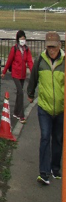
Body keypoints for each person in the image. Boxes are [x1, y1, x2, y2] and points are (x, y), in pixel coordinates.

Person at [27, 31, 65, 185]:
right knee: (45, 137)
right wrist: (30, 93)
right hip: (44, 107)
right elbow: (34, 77)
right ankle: (44, 173)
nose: (51, 50)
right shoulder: (40, 61)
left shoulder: (64, 61)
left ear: (60, 45)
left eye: (54, 47)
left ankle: (55, 168)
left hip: (61, 108)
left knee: (57, 139)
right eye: (49, 46)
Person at [1, 30, 34, 123]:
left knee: (19, 94)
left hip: (23, 75)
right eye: (21, 39)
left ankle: (16, 112)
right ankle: (21, 115)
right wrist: (4, 71)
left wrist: (33, 72)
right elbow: (9, 61)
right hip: (15, 74)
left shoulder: (26, 50)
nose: (23, 40)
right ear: (18, 39)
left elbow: (30, 62)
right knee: (20, 92)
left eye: (24, 38)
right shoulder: (14, 49)